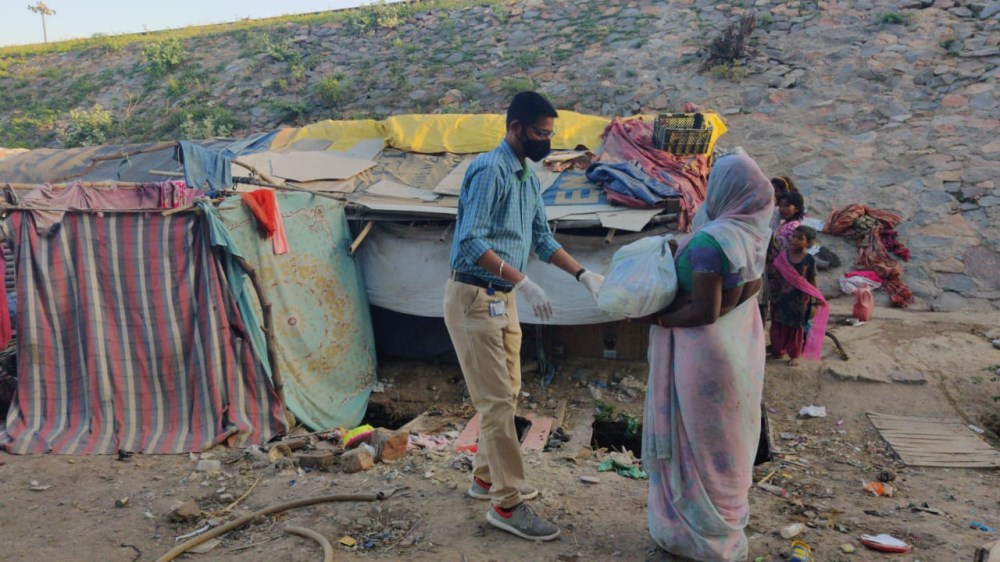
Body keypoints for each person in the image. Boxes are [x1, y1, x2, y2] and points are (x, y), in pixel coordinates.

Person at [443, 91, 604, 542]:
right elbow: (471, 241)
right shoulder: (489, 170)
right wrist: (523, 281)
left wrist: (582, 274)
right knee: (495, 402)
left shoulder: (529, 178)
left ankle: (484, 477)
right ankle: (507, 504)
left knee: (509, 391)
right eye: (540, 134)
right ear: (515, 128)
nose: (546, 142)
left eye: (551, 135)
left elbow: (541, 238)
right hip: (474, 296)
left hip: (502, 298)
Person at [637, 153, 772, 561]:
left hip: (700, 356)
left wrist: (654, 317)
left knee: (692, 442)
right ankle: (725, 528)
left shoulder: (712, 241)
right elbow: (742, 295)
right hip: (735, 354)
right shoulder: (753, 233)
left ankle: (693, 535)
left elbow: (704, 311)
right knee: (724, 441)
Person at [769, 225, 829, 366]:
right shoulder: (783, 255)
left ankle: (794, 354)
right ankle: (778, 350)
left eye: (800, 238)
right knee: (778, 323)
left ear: (808, 243)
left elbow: (812, 280)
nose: (794, 240)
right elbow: (775, 273)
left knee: (796, 327)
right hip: (780, 298)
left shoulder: (809, 259)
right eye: (793, 237)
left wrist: (816, 299)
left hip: (799, 300)